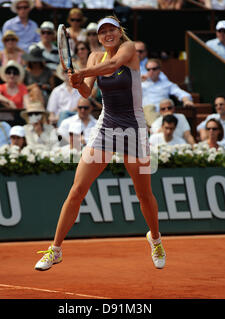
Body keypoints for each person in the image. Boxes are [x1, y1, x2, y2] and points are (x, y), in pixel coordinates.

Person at [34, 16, 166, 271]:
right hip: (106, 128)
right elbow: (87, 92)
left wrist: (82, 72)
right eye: (102, 31)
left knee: (143, 194)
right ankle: (56, 249)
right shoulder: (94, 57)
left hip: (134, 129)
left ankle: (156, 239)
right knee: (77, 189)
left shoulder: (129, 49)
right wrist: (78, 82)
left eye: (111, 30)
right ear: (98, 35)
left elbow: (114, 65)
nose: (107, 34)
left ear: (119, 32)